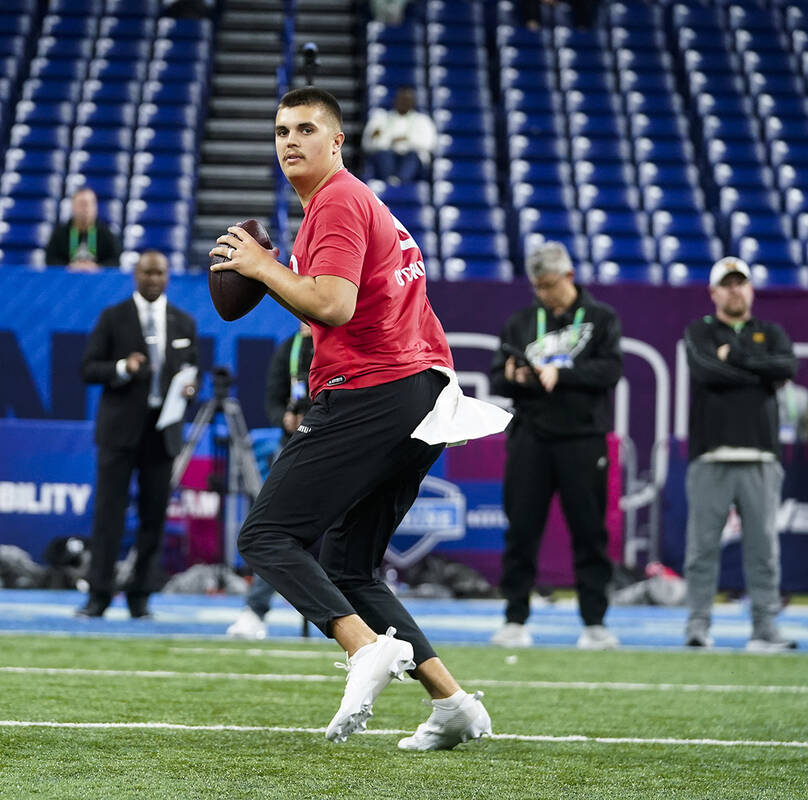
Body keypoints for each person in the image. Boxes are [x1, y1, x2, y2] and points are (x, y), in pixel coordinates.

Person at [210, 87, 509, 751]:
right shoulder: (360, 202)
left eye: (307, 128)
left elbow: (335, 305)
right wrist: (278, 276)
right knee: (349, 567)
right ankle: (454, 703)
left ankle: (364, 649)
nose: (290, 140)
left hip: (375, 388)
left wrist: (261, 266)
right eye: (281, 129)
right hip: (422, 390)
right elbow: (340, 307)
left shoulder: (337, 200)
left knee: (266, 536)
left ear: (337, 141)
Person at [488, 242, 622, 650]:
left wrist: (561, 375)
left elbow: (610, 369)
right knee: (522, 529)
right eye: (538, 287)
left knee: (589, 531)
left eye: (550, 285)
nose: (544, 293)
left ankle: (595, 622)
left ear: (569, 276)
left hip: (582, 438)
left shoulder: (600, 318)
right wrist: (515, 375)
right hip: (531, 436)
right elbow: (496, 378)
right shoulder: (523, 321)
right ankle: (514, 617)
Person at [682, 257, 798, 651]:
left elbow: (788, 366)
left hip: (762, 456)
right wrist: (760, 376)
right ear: (714, 292)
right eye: (727, 284)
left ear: (750, 288)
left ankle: (765, 627)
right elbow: (706, 371)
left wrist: (737, 359)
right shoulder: (699, 331)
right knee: (702, 548)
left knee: (764, 549)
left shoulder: (772, 331)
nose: (735, 290)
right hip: (711, 455)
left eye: (741, 283)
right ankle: (698, 624)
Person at [77, 250, 199, 618]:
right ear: (135, 275)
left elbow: (194, 370)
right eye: (147, 272)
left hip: (162, 431)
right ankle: (98, 595)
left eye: (159, 273)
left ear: (168, 277)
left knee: (153, 517)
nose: (153, 279)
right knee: (109, 515)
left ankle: (140, 597)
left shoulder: (183, 322)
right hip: (119, 431)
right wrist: (122, 367)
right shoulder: (113, 317)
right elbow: (88, 368)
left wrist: (191, 389)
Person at [227, 321, 314, 640]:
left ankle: (367, 622)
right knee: (273, 527)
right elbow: (273, 400)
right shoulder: (288, 349)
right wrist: (285, 419)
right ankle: (254, 610)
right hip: (291, 446)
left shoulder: (341, 341)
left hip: (337, 447)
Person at [361, 87, 436, 187]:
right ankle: (392, 183)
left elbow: (429, 144)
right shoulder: (380, 118)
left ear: (413, 102)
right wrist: (391, 141)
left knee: (413, 156)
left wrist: (407, 140)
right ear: (395, 100)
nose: (404, 102)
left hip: (413, 160)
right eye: (401, 99)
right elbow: (367, 144)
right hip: (387, 156)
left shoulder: (422, 120)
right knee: (384, 154)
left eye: (407, 100)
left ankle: (397, 182)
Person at [44, 187, 122, 271]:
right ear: (73, 207)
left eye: (90, 204)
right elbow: (50, 260)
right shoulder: (60, 234)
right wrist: (69, 267)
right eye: (82, 204)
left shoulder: (106, 233)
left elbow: (115, 261)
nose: (86, 209)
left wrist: (98, 267)